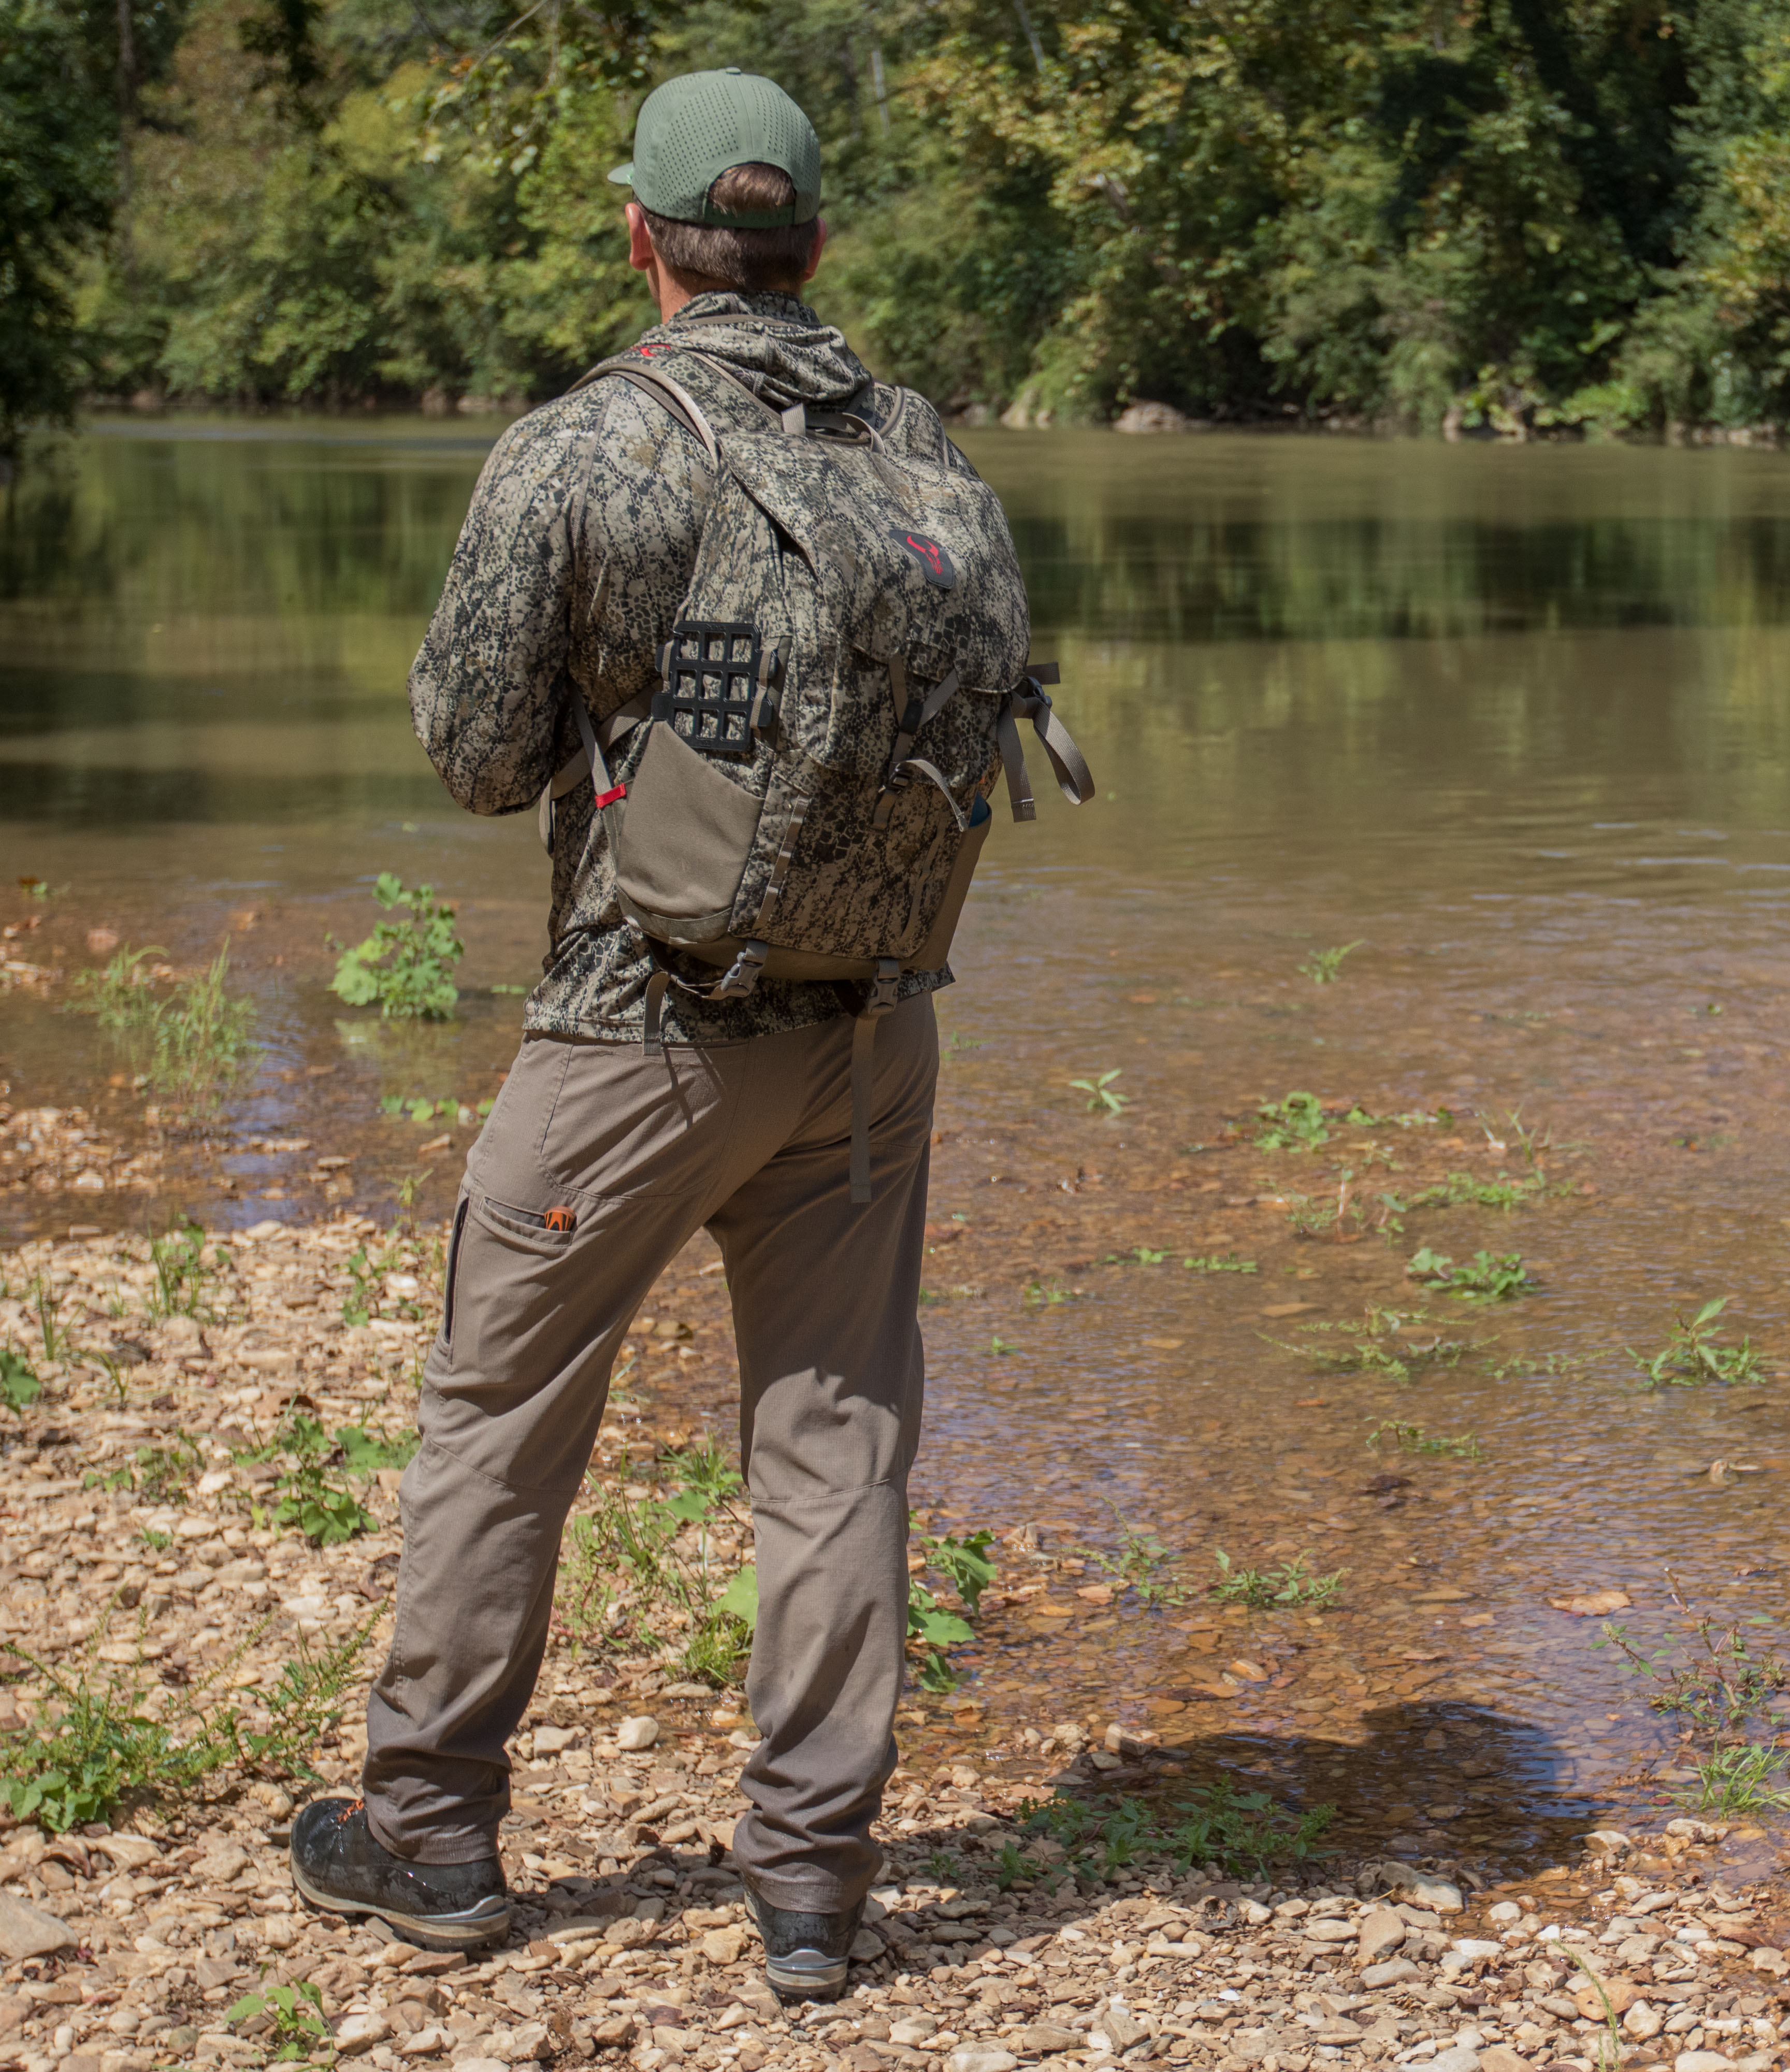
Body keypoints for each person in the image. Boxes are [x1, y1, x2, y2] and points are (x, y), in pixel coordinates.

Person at [286, 67, 1026, 2004]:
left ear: (644, 235)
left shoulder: (584, 447)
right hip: (873, 1029)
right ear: (814, 248)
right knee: (837, 1444)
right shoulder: (920, 440)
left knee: (500, 1421)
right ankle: (810, 1890)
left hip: (633, 1032)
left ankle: (431, 1840)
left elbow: (470, 760)